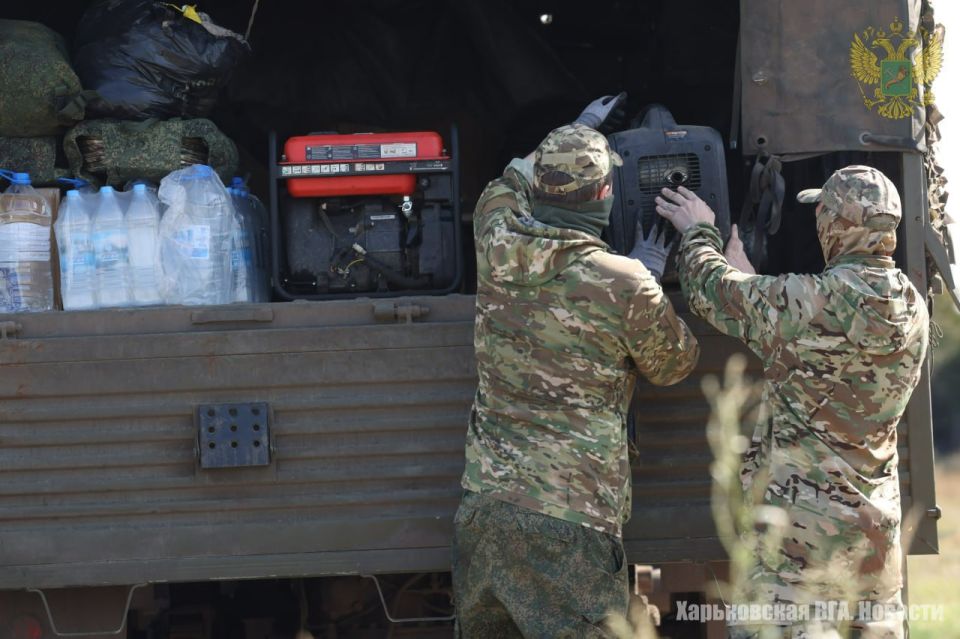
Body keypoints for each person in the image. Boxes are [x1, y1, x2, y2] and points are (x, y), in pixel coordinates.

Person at [452, 95, 701, 638]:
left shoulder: (494, 241)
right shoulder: (624, 282)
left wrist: (574, 129)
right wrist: (650, 277)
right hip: (573, 518)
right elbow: (675, 364)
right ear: (606, 194)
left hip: (484, 510)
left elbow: (505, 183)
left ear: (541, 188)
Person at [655, 166, 929, 638]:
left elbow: (711, 291)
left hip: (796, 552)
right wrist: (757, 287)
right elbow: (812, 337)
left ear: (837, 225)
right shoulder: (913, 307)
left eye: (823, 211)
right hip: (873, 546)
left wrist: (698, 229)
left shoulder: (806, 302)